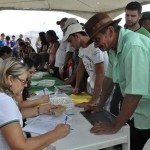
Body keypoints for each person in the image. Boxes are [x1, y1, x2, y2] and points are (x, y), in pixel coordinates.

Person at [84, 12, 150, 150]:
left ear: (111, 31)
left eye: (97, 39)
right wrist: (99, 105)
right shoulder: (114, 47)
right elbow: (109, 79)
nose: (96, 45)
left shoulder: (133, 46)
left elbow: (135, 92)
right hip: (137, 113)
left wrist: (115, 125)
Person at [0, 57, 70, 150]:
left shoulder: (4, 97)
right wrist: (56, 133)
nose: (25, 85)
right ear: (10, 79)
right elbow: (21, 147)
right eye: (23, 81)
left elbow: (14, 115)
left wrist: (39, 110)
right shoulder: (5, 101)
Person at [63, 23, 108, 107]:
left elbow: (100, 74)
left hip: (104, 89)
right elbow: (81, 67)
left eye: (70, 41)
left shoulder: (95, 47)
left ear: (77, 36)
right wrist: (76, 86)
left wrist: (93, 100)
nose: (70, 44)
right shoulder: (81, 49)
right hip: (93, 87)